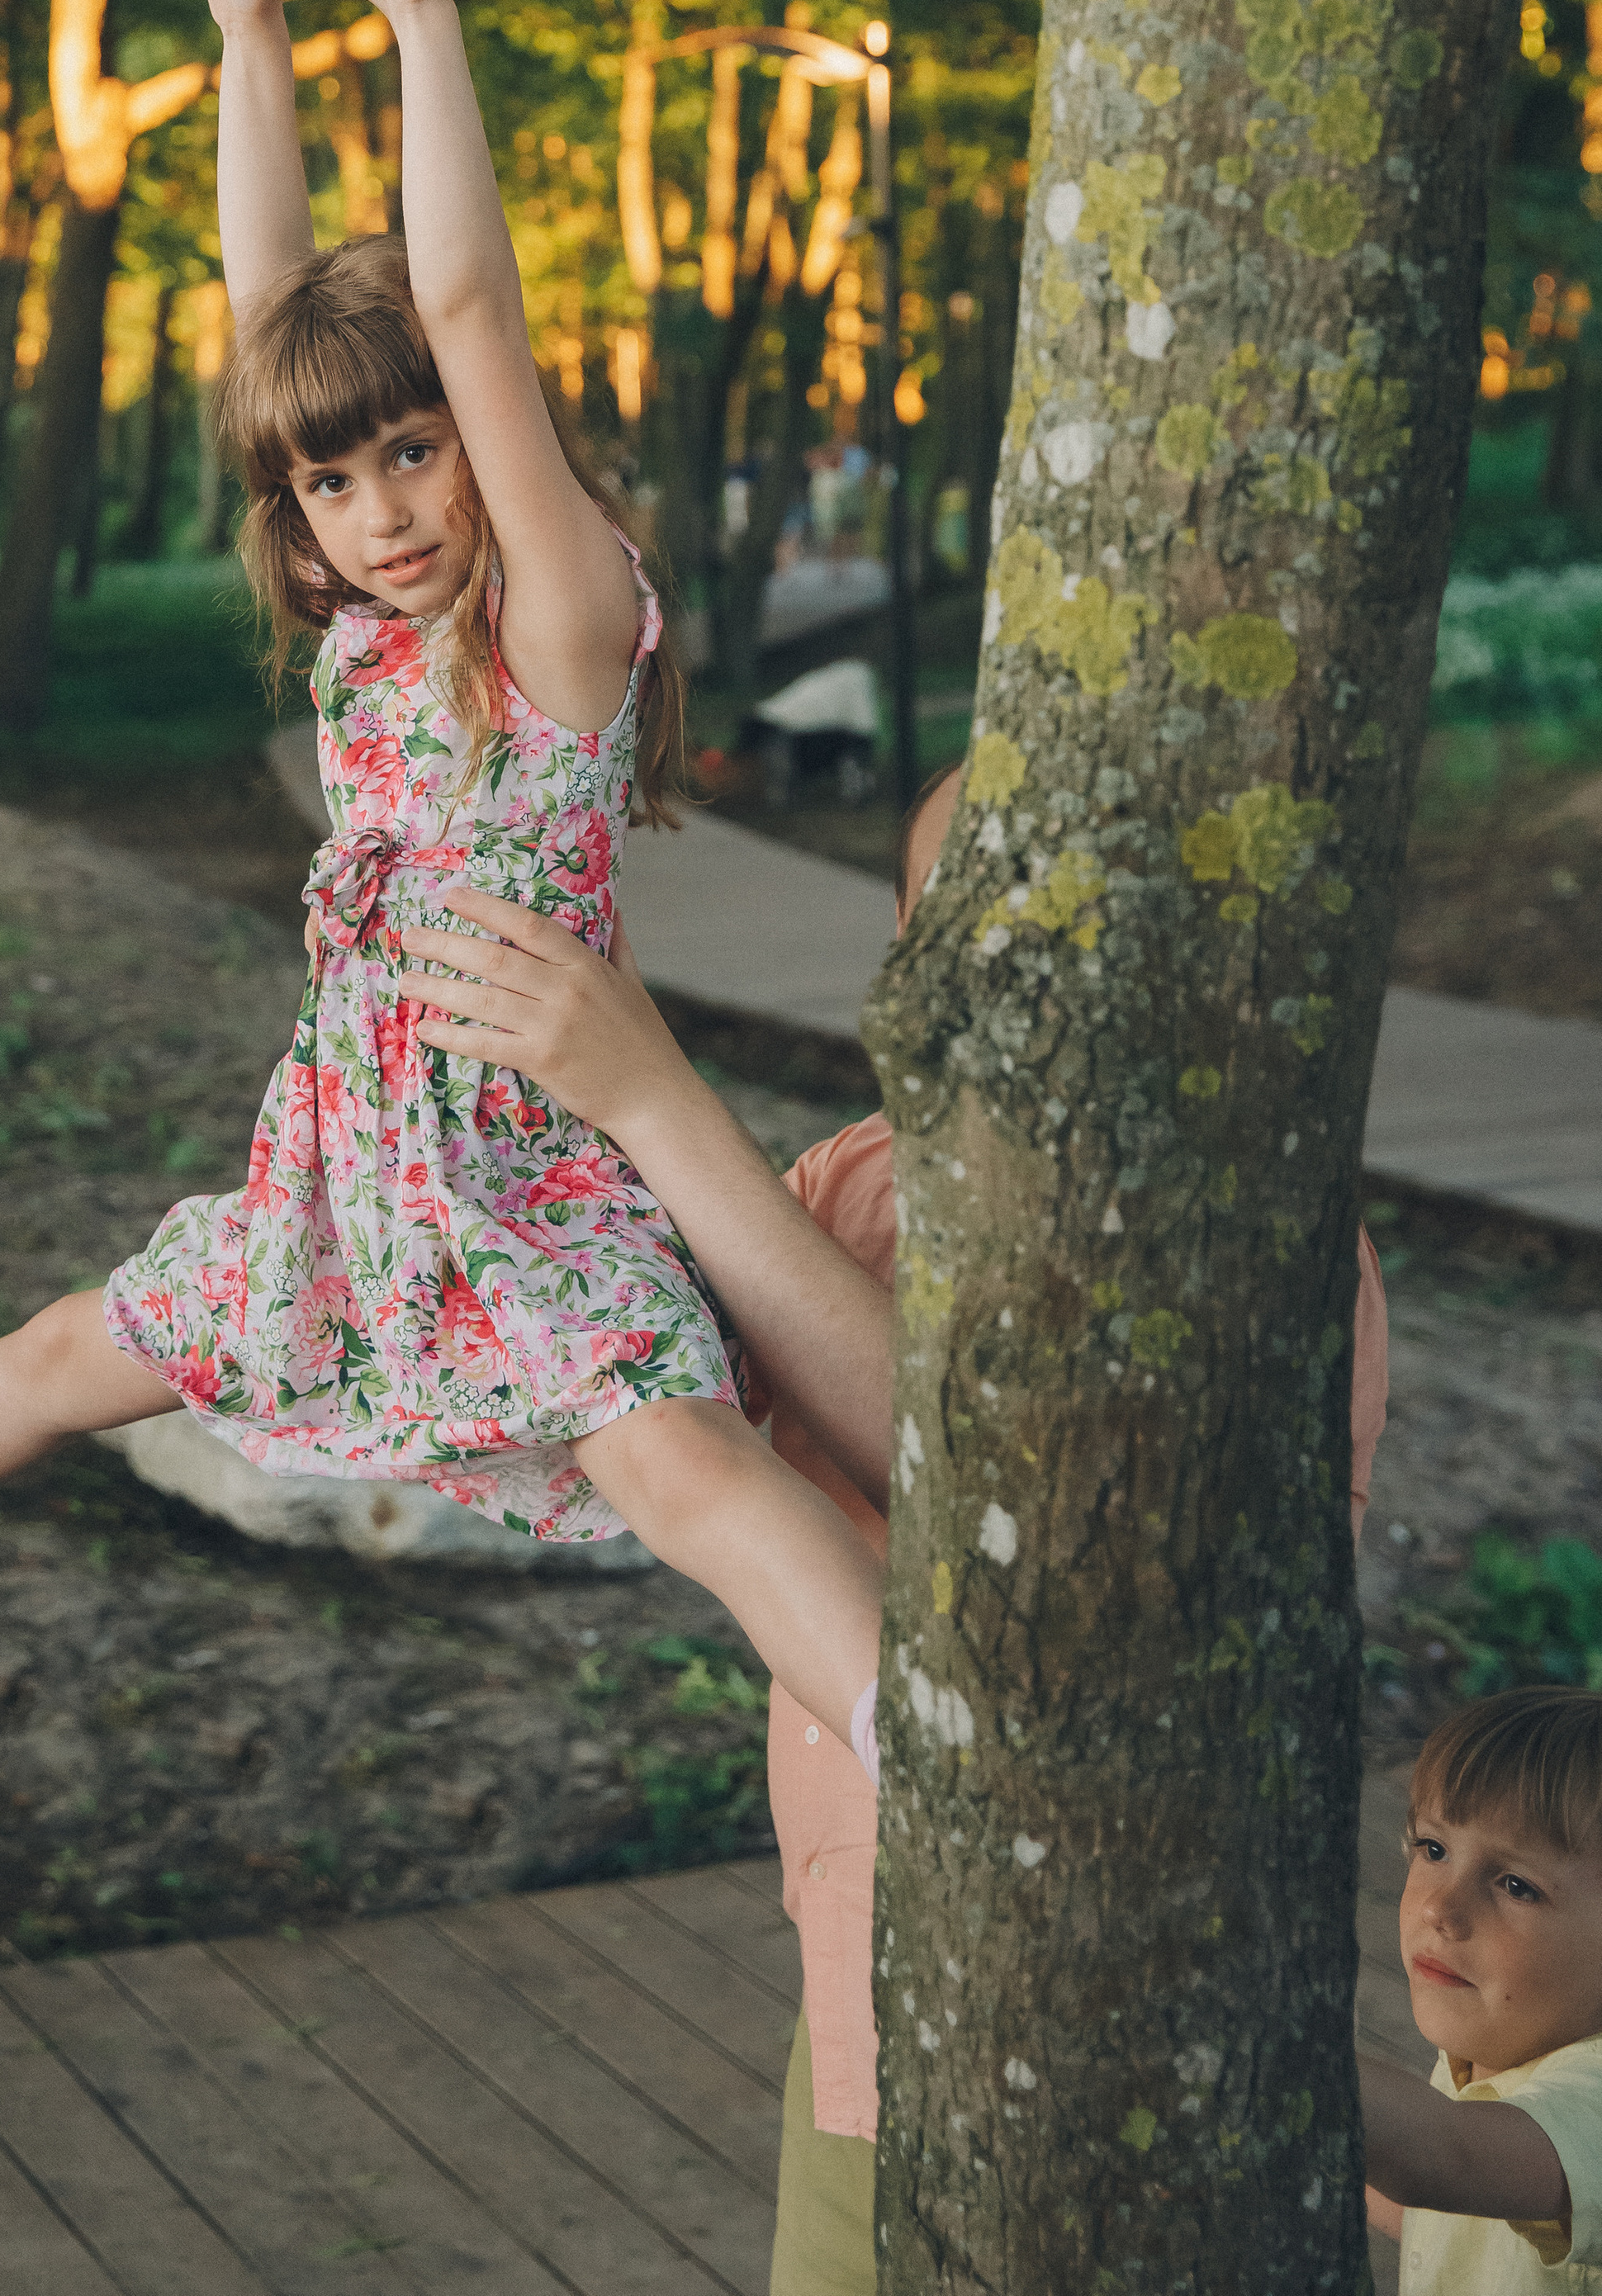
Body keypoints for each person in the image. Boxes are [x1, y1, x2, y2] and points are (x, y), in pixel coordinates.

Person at [0, 0, 892, 1782]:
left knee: (682, 1466)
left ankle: (925, 1744)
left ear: (480, 435)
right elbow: (263, 322)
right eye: (329, 478)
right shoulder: (362, 646)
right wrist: (246, 28)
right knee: (70, 1348)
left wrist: (423, 14)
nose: (377, 504)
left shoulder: (539, 633)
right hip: (339, 1182)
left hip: (528, 1179)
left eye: (411, 447)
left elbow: (457, 302)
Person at [398, 757, 1390, 2296]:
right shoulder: (850, 1183)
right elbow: (625, 1355)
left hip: (1120, 2022)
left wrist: (657, 1091)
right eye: (955, 924)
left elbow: (1003, 1491)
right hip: (870, 1987)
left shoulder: (1264, 1232)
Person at [1359, 1688, 1602, 2289]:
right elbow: (1442, 2212)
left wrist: (1271, 2057)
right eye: (1433, 1849)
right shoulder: (1493, 2051)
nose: (1442, 1907)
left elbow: (1446, 2159)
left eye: (1517, 1885)